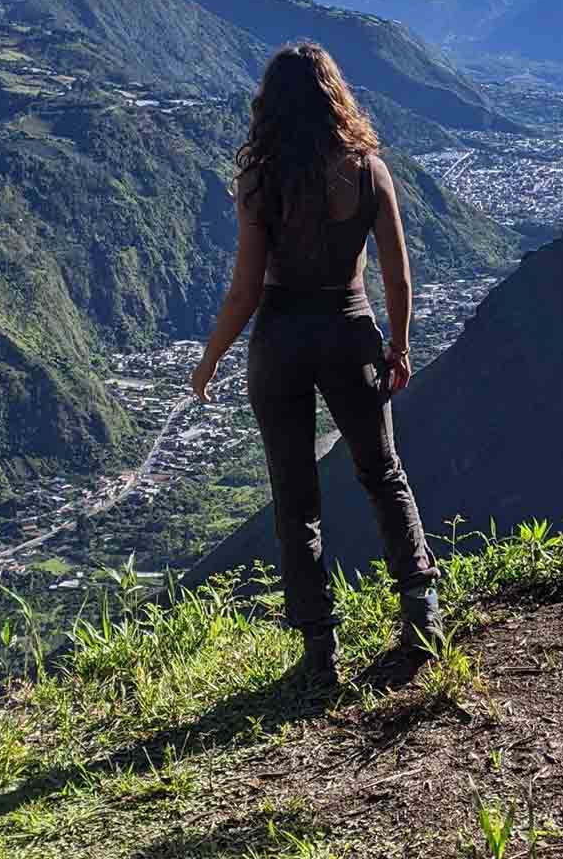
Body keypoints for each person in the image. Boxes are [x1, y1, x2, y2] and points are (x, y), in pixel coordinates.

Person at [189, 41, 442, 686]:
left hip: (280, 342)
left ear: (270, 106)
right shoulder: (368, 171)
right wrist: (400, 344)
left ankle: (320, 653)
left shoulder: (260, 179)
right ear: (336, 95)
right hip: (349, 330)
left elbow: (245, 289)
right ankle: (422, 614)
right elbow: (398, 277)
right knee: (384, 474)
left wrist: (212, 356)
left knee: (294, 499)